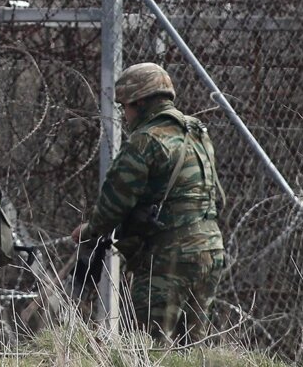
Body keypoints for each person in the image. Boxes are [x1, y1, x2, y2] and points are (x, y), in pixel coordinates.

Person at [71, 62, 225, 344]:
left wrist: (89, 229)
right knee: (193, 348)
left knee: (152, 345)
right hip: (210, 250)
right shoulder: (197, 132)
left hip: (168, 257)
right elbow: (217, 196)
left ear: (141, 103)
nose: (125, 115)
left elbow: (114, 203)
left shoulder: (145, 140)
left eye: (126, 107)